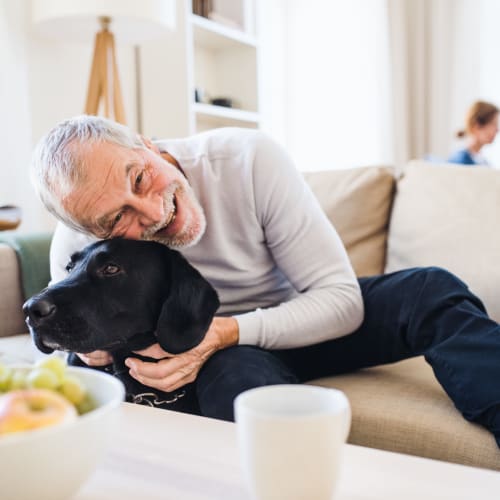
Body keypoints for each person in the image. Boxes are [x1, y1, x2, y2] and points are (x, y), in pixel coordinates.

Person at [31, 115, 500, 447]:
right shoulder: (77, 239)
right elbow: (82, 342)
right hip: (219, 359)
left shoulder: (246, 158)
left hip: (301, 321)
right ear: (91, 228)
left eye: (139, 178)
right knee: (242, 391)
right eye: (118, 218)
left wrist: (225, 332)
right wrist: (92, 348)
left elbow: (341, 301)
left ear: (145, 144)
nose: (154, 212)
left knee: (429, 289)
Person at [448, 100, 499, 166]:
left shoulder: (483, 162)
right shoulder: (459, 162)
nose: (497, 130)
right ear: (477, 127)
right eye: (493, 124)